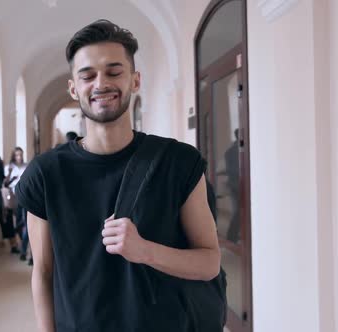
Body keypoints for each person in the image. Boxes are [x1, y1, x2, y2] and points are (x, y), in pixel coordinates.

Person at [16, 20, 222, 331]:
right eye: (87, 75)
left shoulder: (178, 162)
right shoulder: (45, 174)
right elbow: (43, 273)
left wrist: (145, 250)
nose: (100, 84)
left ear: (135, 81)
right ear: (74, 87)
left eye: (114, 72)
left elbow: (209, 263)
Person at [4, 147, 30, 261]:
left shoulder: (26, 166)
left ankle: (24, 250)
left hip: (24, 198)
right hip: (13, 198)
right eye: (17, 155)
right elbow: (5, 184)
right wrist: (11, 175)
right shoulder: (9, 168)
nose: (19, 157)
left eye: (21, 154)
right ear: (13, 156)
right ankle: (19, 236)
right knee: (19, 223)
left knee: (25, 223)